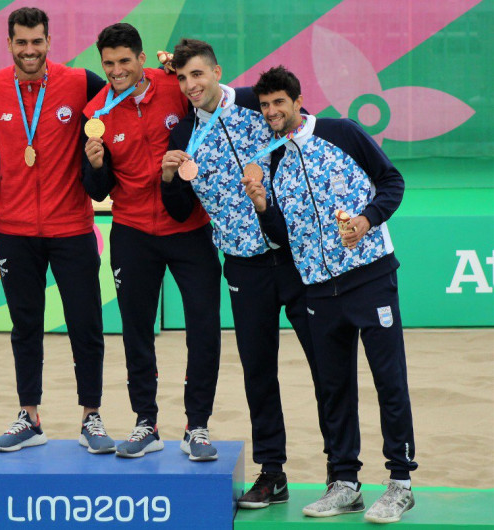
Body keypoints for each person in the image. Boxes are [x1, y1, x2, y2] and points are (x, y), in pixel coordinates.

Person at [160, 39, 329, 503]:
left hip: (298, 259)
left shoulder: (258, 103)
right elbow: (176, 210)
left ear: (216, 71)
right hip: (243, 267)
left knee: (326, 366)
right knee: (258, 372)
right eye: (182, 78)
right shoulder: (184, 138)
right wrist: (168, 176)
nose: (191, 85)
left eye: (198, 74)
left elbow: (301, 129)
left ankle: (340, 474)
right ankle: (272, 474)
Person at [247, 66, 417, 523]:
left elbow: (392, 182)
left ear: (298, 100)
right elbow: (284, 236)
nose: (271, 112)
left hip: (370, 277)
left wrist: (366, 220)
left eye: (279, 103)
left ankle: (400, 483)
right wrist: (263, 207)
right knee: (334, 389)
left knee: (389, 382)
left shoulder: (343, 133)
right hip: (318, 291)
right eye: (264, 106)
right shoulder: (276, 159)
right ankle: (345, 483)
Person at [0, 7, 116, 454]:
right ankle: (29, 417)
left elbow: (126, 91)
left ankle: (91, 416)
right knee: (24, 325)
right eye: (21, 42)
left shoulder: (81, 82)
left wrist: (164, 71)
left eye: (37, 42)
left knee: (85, 325)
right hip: (14, 228)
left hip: (71, 226)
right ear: (9, 44)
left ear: (49, 42)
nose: (29, 50)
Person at [82, 24, 220, 461]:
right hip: (132, 232)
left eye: (125, 61)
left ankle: (197, 426)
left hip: (190, 228)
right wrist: (97, 166)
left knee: (203, 328)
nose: (117, 70)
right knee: (136, 333)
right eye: (109, 63)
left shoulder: (175, 87)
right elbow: (97, 190)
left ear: (142, 58)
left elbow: (216, 104)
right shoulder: (96, 112)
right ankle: (146, 423)